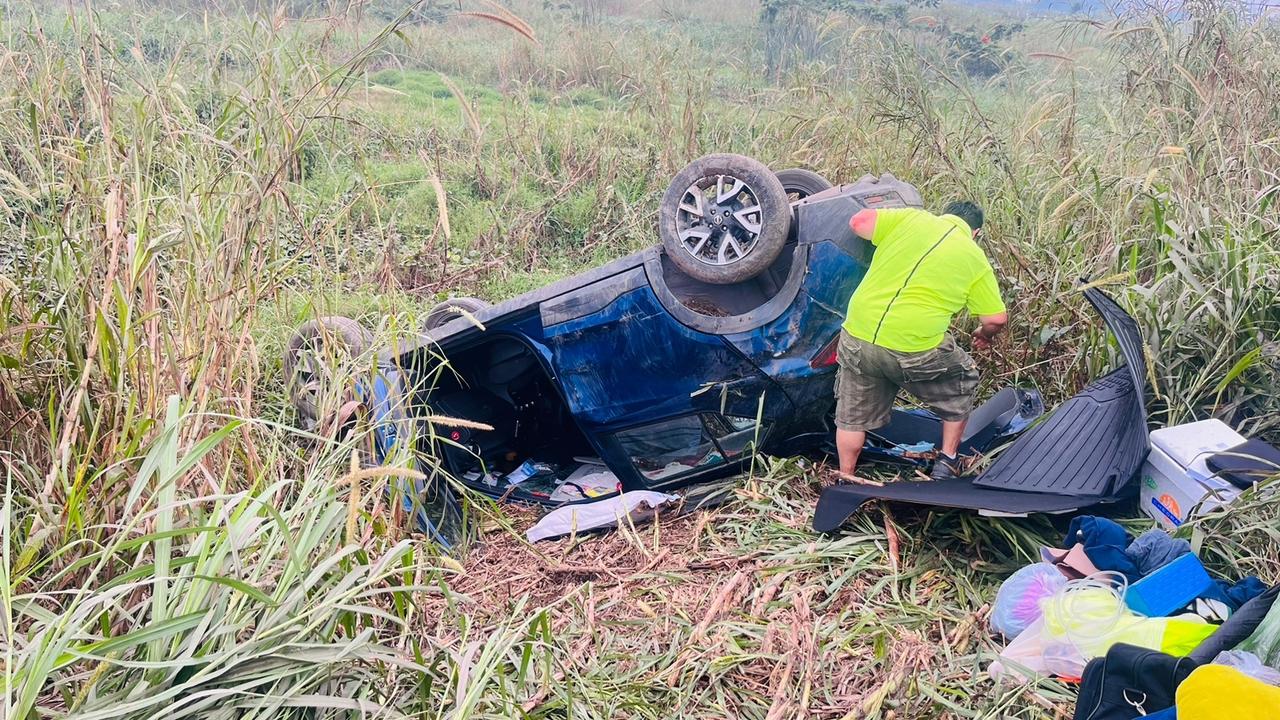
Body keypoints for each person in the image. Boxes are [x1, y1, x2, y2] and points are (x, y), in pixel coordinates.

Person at [834, 200, 1007, 481]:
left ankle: (845, 478)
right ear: (975, 232)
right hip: (913, 348)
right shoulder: (974, 257)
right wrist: (983, 335)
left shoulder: (910, 219)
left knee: (853, 416)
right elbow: (996, 319)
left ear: (944, 214)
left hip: (857, 334)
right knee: (962, 380)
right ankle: (948, 461)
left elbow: (858, 223)